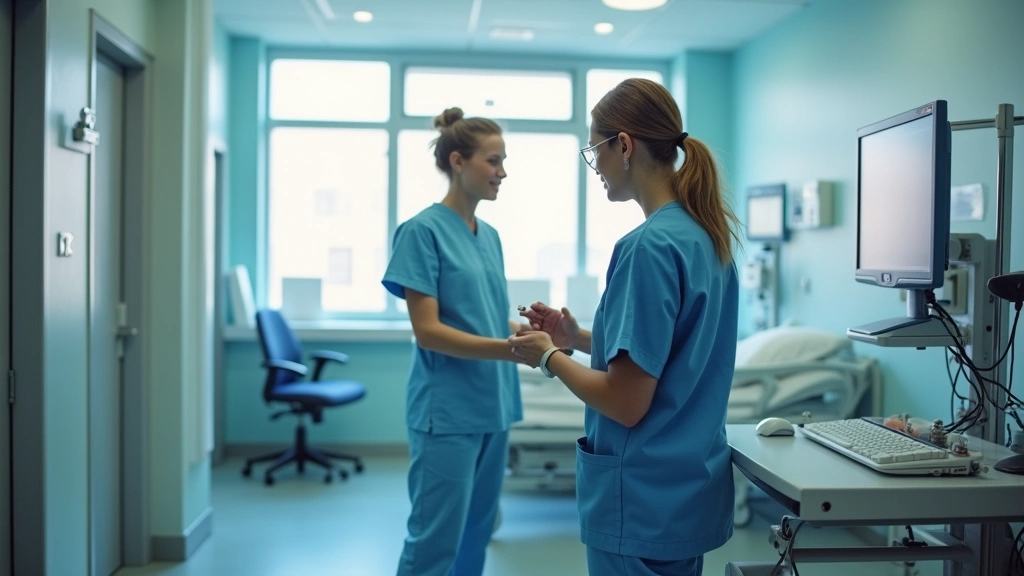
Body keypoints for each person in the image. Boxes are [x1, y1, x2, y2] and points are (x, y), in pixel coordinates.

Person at [508, 78, 742, 576]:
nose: (596, 166)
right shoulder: (705, 236)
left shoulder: (646, 247)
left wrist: (548, 356)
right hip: (683, 492)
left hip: (640, 499)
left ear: (625, 146)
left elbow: (625, 402)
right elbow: (671, 353)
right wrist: (575, 339)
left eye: (595, 151)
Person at [382, 107, 529, 576]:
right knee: (435, 541)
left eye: (503, 161)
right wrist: (510, 350)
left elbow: (481, 314)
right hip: (446, 412)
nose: (502, 172)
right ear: (458, 161)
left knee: (476, 533)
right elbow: (428, 331)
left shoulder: (491, 236)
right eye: (493, 161)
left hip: (494, 404)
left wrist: (522, 331)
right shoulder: (421, 232)